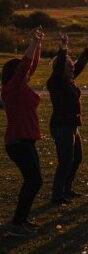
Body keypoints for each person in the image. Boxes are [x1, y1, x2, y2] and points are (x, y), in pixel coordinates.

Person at [2, 28, 44, 237]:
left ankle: (21, 220)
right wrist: (31, 44)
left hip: (27, 141)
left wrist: (37, 45)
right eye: (22, 71)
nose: (28, 73)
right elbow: (25, 67)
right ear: (14, 73)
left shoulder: (21, 87)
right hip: (17, 142)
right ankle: (17, 224)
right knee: (34, 180)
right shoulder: (12, 88)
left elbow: (31, 65)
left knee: (33, 180)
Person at [46, 33, 88, 205]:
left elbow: (79, 66)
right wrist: (63, 48)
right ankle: (57, 195)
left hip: (72, 125)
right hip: (61, 126)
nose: (72, 67)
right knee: (65, 160)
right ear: (60, 66)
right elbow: (60, 67)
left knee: (76, 158)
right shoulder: (56, 81)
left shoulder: (69, 79)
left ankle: (67, 189)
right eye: (68, 65)